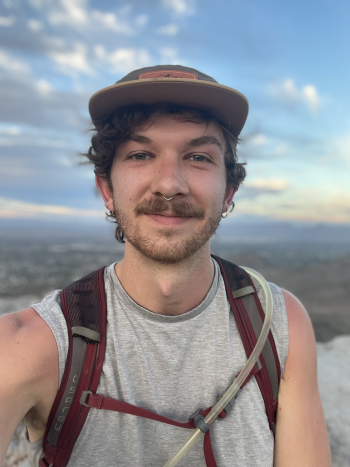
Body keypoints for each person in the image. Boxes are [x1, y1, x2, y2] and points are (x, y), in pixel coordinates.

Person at [0, 65, 330, 467]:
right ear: (106, 188)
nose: (169, 183)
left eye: (198, 157)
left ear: (228, 192)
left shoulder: (280, 324)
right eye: (141, 154)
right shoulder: (33, 345)